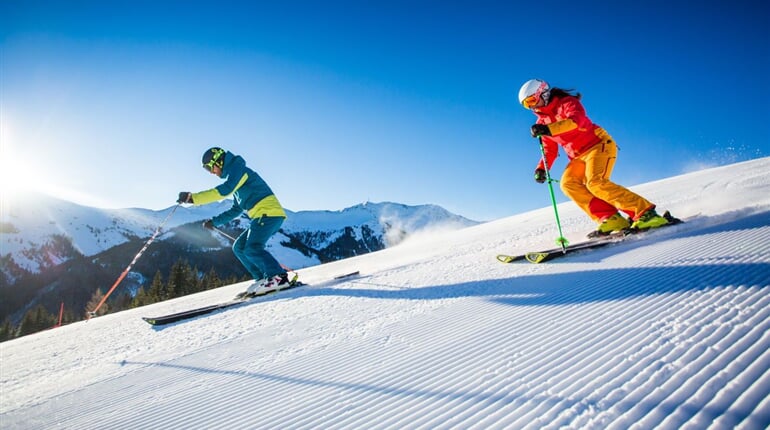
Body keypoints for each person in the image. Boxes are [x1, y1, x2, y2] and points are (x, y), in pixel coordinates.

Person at [518, 78, 670, 237]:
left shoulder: (567, 103)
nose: (532, 106)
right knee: (568, 184)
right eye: (526, 105)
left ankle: (646, 213)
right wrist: (541, 168)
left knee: (596, 182)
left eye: (532, 100)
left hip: (598, 145)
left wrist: (548, 129)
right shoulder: (542, 122)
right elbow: (549, 150)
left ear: (543, 92)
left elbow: (576, 121)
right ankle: (611, 218)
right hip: (578, 156)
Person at [177, 147, 290, 294]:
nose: (211, 172)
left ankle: (278, 277)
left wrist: (193, 198)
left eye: (210, 168)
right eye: (207, 170)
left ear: (218, 161)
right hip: (262, 216)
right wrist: (214, 222)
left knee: (252, 247)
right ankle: (263, 278)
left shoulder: (238, 170)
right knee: (239, 247)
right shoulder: (236, 181)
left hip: (269, 214)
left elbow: (224, 190)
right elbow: (236, 209)